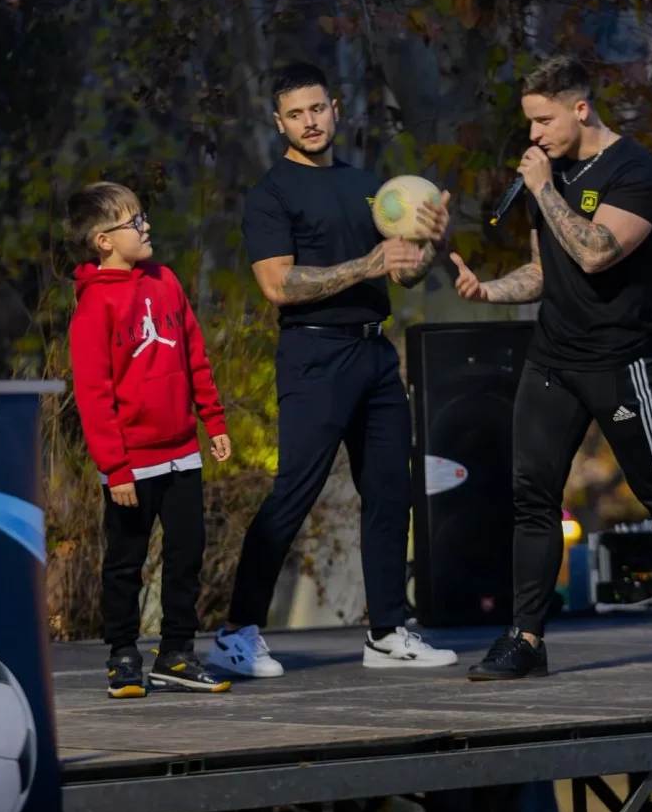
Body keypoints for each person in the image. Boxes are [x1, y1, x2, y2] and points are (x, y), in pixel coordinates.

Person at [450, 56, 652, 679]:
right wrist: (489, 291)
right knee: (531, 496)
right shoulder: (552, 174)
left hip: (617, 359)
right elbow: (550, 270)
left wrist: (546, 187)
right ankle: (525, 638)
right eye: (529, 124)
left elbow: (597, 253)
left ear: (580, 108)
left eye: (544, 121)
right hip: (553, 357)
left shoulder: (638, 171)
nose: (534, 136)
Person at [206, 62, 458, 676]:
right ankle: (236, 633)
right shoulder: (272, 194)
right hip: (314, 355)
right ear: (279, 122)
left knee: (390, 492)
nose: (309, 122)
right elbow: (278, 284)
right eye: (295, 114)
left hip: (375, 352)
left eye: (317, 109)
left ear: (336, 109)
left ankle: (388, 632)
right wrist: (365, 266)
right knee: (293, 492)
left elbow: (402, 272)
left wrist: (427, 246)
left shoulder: (371, 186)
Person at [68, 181, 233, 698]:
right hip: (131, 466)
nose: (145, 227)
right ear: (103, 241)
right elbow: (94, 396)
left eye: (142, 216)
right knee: (125, 562)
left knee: (187, 553)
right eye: (133, 221)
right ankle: (122, 655)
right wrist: (115, 469)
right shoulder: (94, 306)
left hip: (182, 451)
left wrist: (214, 420)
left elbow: (195, 356)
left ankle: (177, 654)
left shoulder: (165, 282)